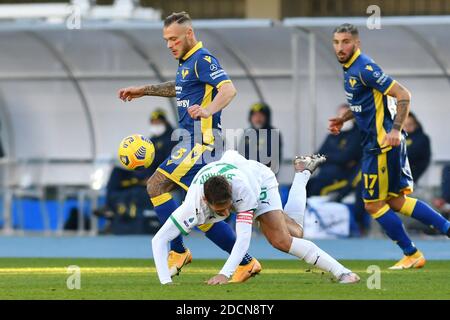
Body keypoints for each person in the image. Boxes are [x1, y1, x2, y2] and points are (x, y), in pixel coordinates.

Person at [117, 12, 259, 282]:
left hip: (201, 141)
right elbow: (179, 88)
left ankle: (178, 250)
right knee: (201, 210)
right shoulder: (186, 63)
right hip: (191, 141)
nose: (169, 44)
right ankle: (245, 262)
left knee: (155, 185)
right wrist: (144, 90)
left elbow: (228, 90)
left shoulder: (202, 59)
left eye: (174, 39)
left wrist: (208, 110)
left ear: (189, 34)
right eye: (166, 40)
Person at [329, 23, 450, 270]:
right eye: (336, 42)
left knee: (372, 203)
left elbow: (403, 94)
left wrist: (394, 130)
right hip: (377, 144)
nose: (340, 47)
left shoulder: (364, 68)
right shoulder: (349, 68)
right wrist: (344, 119)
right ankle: (446, 230)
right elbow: (365, 103)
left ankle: (411, 253)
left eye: (345, 42)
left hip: (382, 145)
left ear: (357, 43)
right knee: (395, 201)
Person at [152, 150, 360, 285]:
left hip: (258, 179)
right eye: (220, 210)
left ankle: (343, 273)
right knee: (295, 231)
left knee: (282, 240)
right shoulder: (191, 205)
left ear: (231, 196)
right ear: (206, 201)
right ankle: (303, 171)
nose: (225, 214)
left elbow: (243, 239)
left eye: (228, 208)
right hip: (233, 164)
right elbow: (159, 240)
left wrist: (225, 273)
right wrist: (165, 283)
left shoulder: (243, 192)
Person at [307, 103, 362, 196]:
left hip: (342, 178)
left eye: (345, 116)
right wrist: (333, 157)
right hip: (324, 175)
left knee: (316, 189)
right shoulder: (333, 135)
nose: (342, 119)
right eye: (340, 115)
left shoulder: (357, 135)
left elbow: (345, 158)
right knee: (305, 186)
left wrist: (327, 157)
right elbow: (317, 156)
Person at [239, 102, 283, 172]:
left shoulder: (273, 134)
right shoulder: (246, 133)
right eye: (255, 116)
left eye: (261, 116)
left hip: (265, 176)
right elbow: (239, 155)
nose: (257, 119)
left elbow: (275, 158)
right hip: (247, 175)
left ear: (267, 117)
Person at [404, 112, 431, 183]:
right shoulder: (399, 138)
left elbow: (412, 154)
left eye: (410, 124)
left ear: (415, 124)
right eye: (404, 124)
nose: (407, 127)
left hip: (414, 171)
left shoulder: (422, 138)